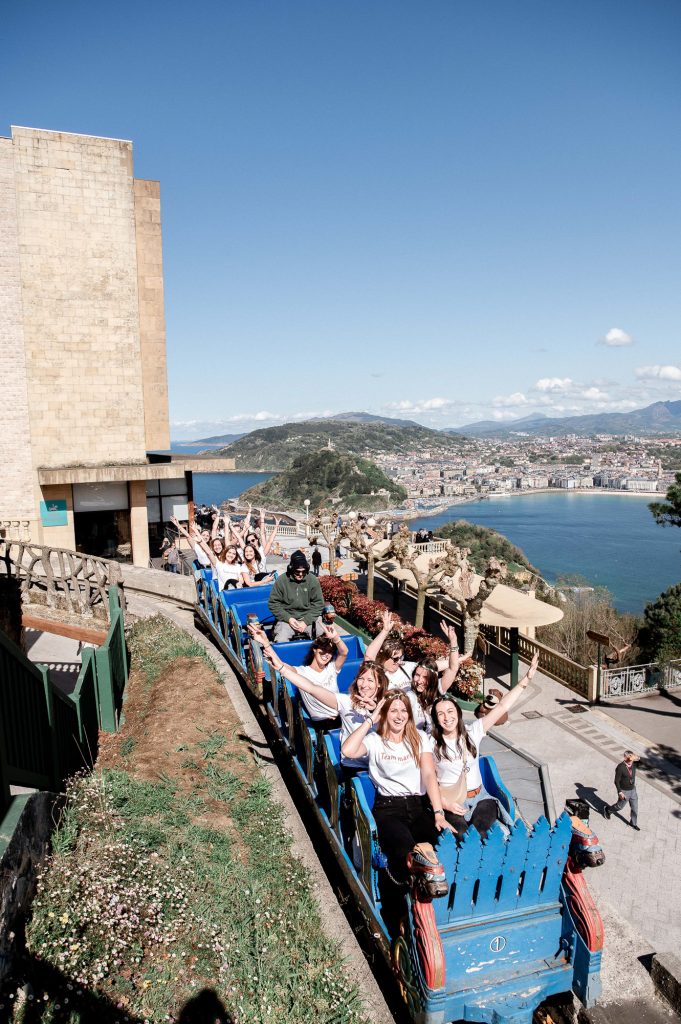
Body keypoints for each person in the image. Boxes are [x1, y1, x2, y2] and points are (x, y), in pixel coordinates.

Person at [341, 691, 454, 898]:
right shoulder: (375, 740)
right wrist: (370, 720)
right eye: (393, 710)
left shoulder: (419, 738)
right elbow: (347, 750)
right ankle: (402, 906)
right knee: (405, 850)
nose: (399, 715)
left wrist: (438, 812)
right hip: (389, 809)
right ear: (384, 714)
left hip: (418, 806)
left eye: (403, 711)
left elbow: (429, 774)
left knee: (443, 841)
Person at [430, 653, 539, 838]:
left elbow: (502, 707)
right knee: (463, 836)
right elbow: (428, 781)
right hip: (454, 802)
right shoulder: (431, 744)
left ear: (458, 713)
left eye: (450, 711)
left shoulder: (473, 732)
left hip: (480, 798)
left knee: (481, 831)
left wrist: (525, 681)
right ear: (436, 719)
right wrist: (444, 804)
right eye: (441, 714)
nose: (447, 718)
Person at [365, 610, 466, 691]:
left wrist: (457, 656)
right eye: (396, 659)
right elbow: (369, 657)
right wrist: (385, 631)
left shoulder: (406, 667)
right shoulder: (376, 673)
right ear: (384, 657)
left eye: (401, 658)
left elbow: (434, 666)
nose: (399, 662)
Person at [268, 550, 324, 641]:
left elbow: (318, 603)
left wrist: (306, 621)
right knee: (281, 640)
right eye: (297, 572)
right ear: (291, 568)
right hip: (287, 620)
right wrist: (288, 618)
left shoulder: (312, 580)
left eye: (303, 571)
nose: (301, 574)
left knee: (324, 638)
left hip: (308, 617)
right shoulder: (282, 580)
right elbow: (273, 604)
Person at [603, 751, 641, 830]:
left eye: (632, 755)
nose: (632, 757)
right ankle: (608, 809)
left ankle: (633, 823)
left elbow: (641, 762)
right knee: (619, 807)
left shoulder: (634, 764)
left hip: (633, 790)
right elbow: (616, 781)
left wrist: (637, 757)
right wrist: (620, 792)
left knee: (635, 808)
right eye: (630, 756)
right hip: (624, 791)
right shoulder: (620, 767)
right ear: (626, 757)